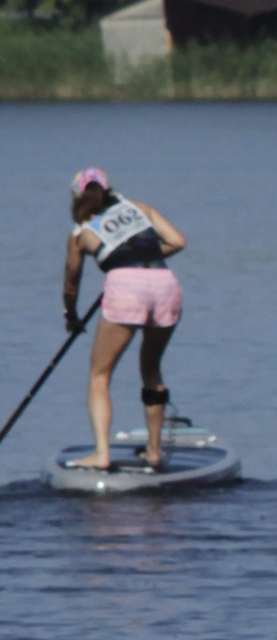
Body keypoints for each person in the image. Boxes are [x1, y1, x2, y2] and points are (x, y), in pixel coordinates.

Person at [64, 169, 186, 470]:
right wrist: (141, 260)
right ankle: (154, 452)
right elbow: (178, 241)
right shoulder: (138, 208)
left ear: (78, 198)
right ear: (108, 190)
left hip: (125, 289)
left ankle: (101, 454)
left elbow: (71, 284)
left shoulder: (81, 232)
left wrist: (72, 315)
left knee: (99, 375)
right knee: (151, 368)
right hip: (164, 283)